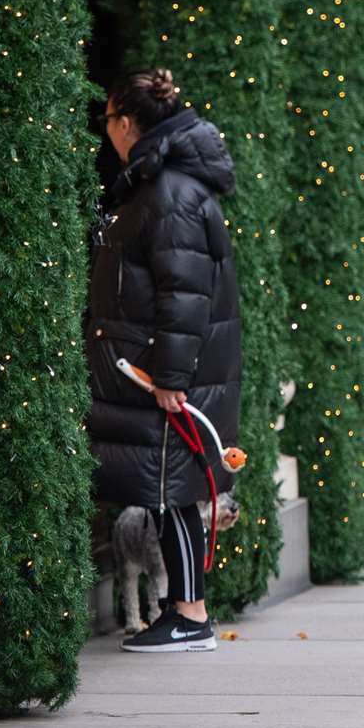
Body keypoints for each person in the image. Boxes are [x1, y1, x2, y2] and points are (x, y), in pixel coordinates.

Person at [87, 68, 240, 652]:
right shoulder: (165, 184)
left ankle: (190, 616)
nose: (108, 135)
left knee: (173, 490)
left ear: (127, 123)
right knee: (168, 490)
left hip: (169, 377)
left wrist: (172, 377)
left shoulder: (170, 192)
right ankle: (184, 613)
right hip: (160, 371)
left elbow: (185, 294)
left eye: (107, 122)